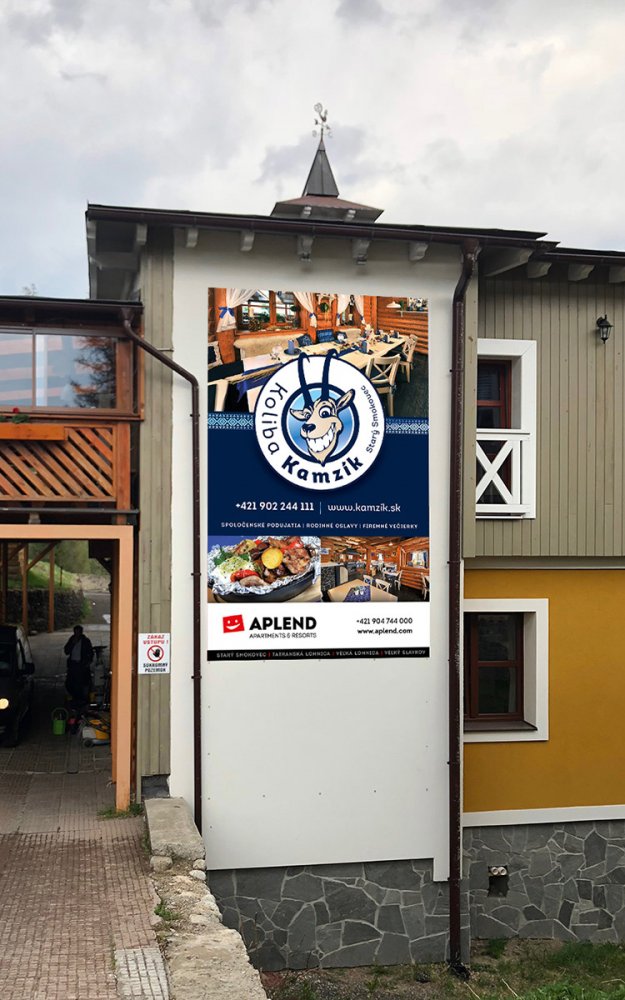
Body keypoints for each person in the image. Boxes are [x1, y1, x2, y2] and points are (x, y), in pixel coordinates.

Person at [64, 625, 94, 706]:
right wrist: (72, 643)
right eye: (75, 632)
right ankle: (74, 698)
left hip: (81, 665)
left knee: (81, 683)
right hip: (73, 664)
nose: (76, 634)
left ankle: (81, 699)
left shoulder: (85, 641)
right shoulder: (71, 640)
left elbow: (90, 652)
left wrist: (88, 662)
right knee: (71, 682)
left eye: (78, 632)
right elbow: (66, 651)